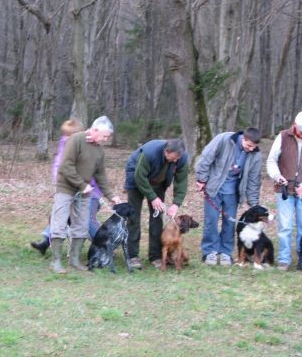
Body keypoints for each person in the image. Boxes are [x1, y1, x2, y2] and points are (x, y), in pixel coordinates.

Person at [48, 116, 121, 274]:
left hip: (84, 193)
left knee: (81, 225)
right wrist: (82, 184)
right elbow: (65, 166)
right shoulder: (75, 140)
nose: (106, 139)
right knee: (59, 224)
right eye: (104, 135)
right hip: (66, 188)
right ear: (94, 130)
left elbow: (100, 175)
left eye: (107, 136)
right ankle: (56, 262)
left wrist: (111, 196)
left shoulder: (99, 150)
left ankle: (74, 260)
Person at [31, 119, 103, 254]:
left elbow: (94, 173)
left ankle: (102, 243)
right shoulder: (65, 148)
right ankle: (46, 241)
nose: (68, 139)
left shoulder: (89, 147)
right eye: (66, 135)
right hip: (70, 192)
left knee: (86, 219)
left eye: (71, 136)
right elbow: (58, 168)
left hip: (90, 194)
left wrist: (88, 188)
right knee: (59, 215)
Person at [266, 111, 302, 271]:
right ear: (295, 125)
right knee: (285, 225)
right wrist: (278, 176)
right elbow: (271, 160)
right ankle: (284, 259)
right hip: (284, 189)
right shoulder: (283, 137)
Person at [195, 127, 262, 266]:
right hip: (214, 188)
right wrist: (201, 179)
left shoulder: (255, 154)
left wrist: (253, 202)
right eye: (249, 145)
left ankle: (226, 252)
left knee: (229, 223)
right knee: (211, 221)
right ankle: (210, 251)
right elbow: (206, 158)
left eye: (253, 147)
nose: (251, 149)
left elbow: (253, 180)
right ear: (243, 138)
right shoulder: (224, 140)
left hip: (233, 193)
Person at [124, 139, 188, 269]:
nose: (176, 160)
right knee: (133, 217)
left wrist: (176, 204)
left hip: (158, 183)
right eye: (174, 157)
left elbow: (181, 182)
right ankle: (132, 256)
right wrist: (153, 197)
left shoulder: (181, 157)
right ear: (166, 152)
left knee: (157, 218)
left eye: (178, 158)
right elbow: (139, 176)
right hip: (136, 178)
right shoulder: (150, 153)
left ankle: (155, 255)